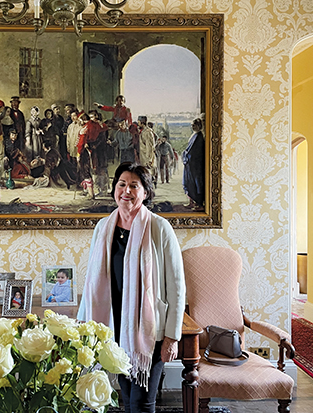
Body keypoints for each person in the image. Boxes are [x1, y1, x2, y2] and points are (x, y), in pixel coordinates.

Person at [77, 162, 185, 413]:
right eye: (122, 184)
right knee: (126, 397)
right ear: (115, 189)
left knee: (142, 403)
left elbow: (177, 286)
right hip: (114, 328)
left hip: (150, 331)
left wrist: (172, 336)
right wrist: (85, 325)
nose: (126, 190)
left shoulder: (159, 228)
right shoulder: (103, 227)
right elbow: (91, 280)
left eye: (134, 185)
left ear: (145, 192)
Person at [182, 118, 205, 211]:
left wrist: (186, 155)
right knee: (189, 182)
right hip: (190, 164)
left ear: (199, 126)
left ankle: (199, 203)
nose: (192, 127)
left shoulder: (199, 137)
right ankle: (191, 202)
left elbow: (194, 152)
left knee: (196, 183)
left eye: (194, 125)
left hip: (195, 165)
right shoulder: (194, 135)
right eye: (192, 125)